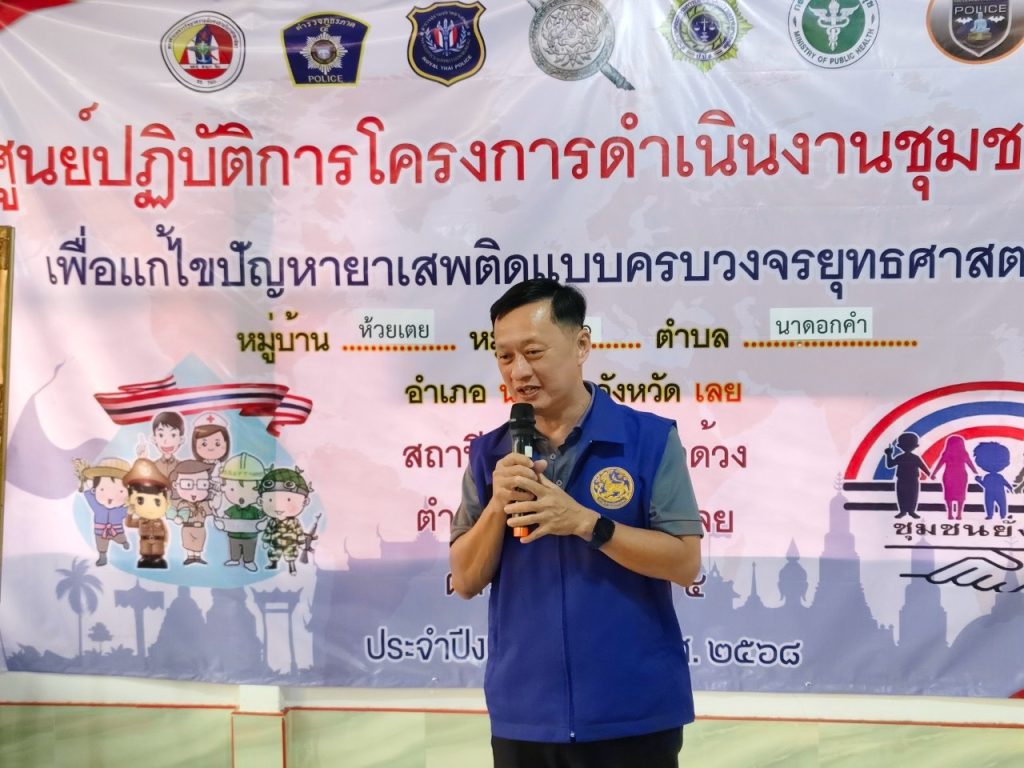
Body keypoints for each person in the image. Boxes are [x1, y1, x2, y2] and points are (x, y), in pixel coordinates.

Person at [449, 279, 703, 768]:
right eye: (504, 357)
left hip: (633, 714)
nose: (519, 371)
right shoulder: (489, 453)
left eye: (533, 352)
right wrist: (498, 505)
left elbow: (685, 563)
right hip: (525, 716)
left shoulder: (648, 440)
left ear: (582, 344)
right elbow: (465, 579)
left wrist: (588, 523)